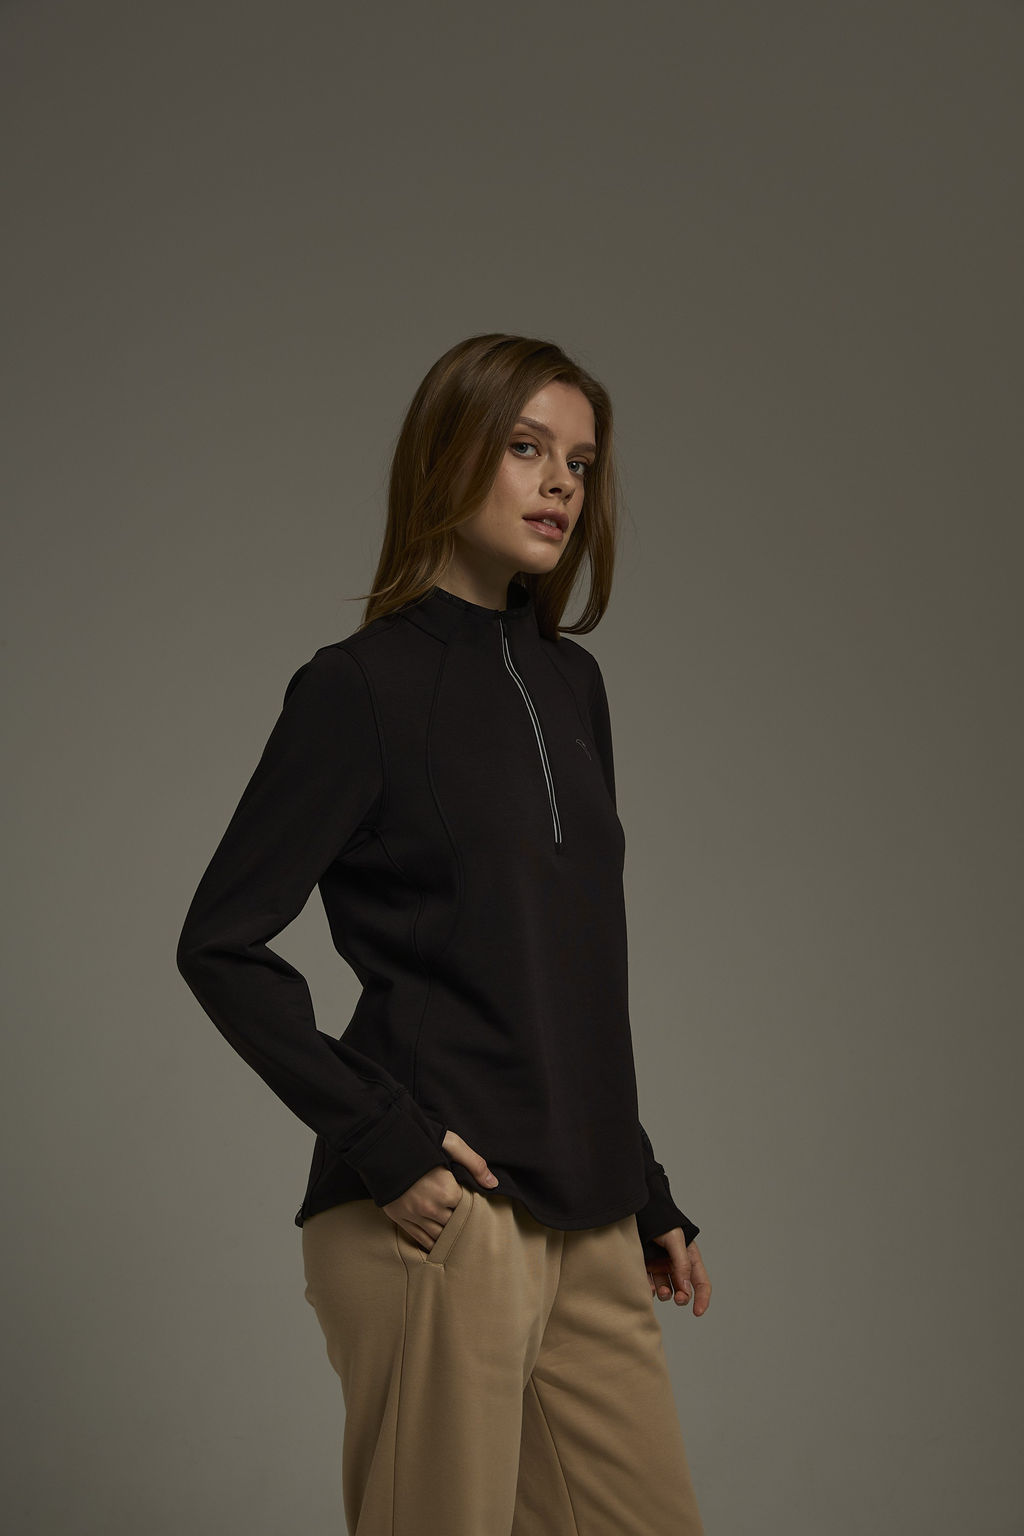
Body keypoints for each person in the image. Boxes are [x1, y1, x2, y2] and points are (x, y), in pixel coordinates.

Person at [175, 332, 711, 1535]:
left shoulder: (574, 688)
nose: (560, 483)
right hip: (444, 1212)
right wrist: (384, 1138)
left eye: (579, 461)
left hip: (586, 1211)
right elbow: (220, 943)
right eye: (525, 448)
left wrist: (644, 1187)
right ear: (446, 456)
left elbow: (563, 971)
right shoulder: (357, 687)